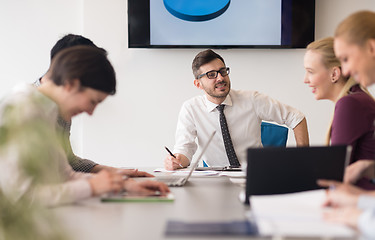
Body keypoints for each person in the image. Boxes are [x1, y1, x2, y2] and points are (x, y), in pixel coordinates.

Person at [0, 46, 169, 207]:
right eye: (92, 101)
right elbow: (19, 197)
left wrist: (122, 185)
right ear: (71, 84)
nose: (90, 112)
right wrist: (92, 187)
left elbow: (65, 175)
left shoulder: (47, 110)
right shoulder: (23, 110)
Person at [164, 49, 309, 170]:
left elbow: (296, 118)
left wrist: (302, 162)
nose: (220, 78)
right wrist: (177, 161)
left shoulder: (252, 99)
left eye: (223, 71)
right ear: (198, 84)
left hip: (256, 174)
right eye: (211, 75)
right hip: (218, 180)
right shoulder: (191, 109)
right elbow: (185, 149)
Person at [35, 34, 152, 177]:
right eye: (92, 101)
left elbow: (67, 162)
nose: (90, 112)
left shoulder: (57, 106)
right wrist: (97, 184)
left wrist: (113, 174)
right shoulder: (27, 110)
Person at [317, 10, 375, 239]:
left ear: (371, 48)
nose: (346, 71)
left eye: (347, 59)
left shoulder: (352, 102)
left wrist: (359, 216)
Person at [303, 37, 375, 189]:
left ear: (334, 74)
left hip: (360, 205)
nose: (305, 80)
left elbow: (334, 174)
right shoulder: (357, 98)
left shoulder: (350, 104)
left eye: (310, 72)